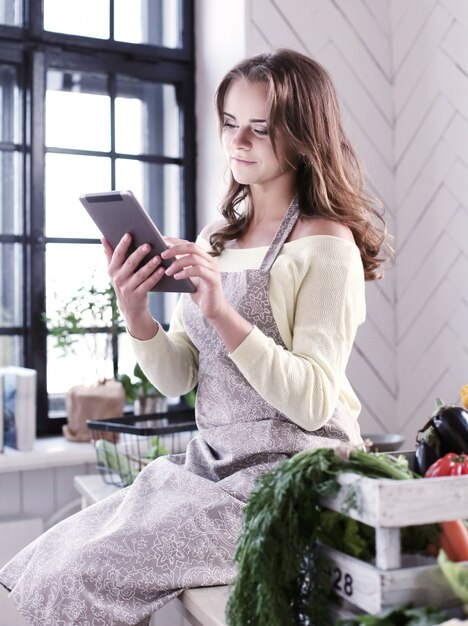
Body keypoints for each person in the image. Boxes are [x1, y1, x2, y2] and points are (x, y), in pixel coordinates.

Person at [0, 48, 388, 626]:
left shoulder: (326, 242)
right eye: (231, 123)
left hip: (289, 482)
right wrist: (136, 313)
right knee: (43, 562)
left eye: (261, 129)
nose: (240, 141)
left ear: (304, 138)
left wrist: (224, 312)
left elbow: (312, 402)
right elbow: (182, 375)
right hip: (209, 468)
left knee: (77, 576)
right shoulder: (216, 239)